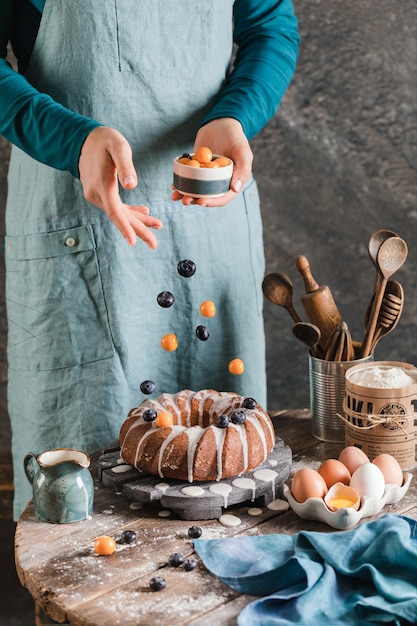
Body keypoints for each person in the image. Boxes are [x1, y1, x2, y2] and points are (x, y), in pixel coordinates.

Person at [1, 0, 299, 520]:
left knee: (225, 477)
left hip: (208, 214)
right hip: (76, 207)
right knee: (81, 518)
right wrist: (73, 139)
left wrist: (235, 113)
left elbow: (270, 27)